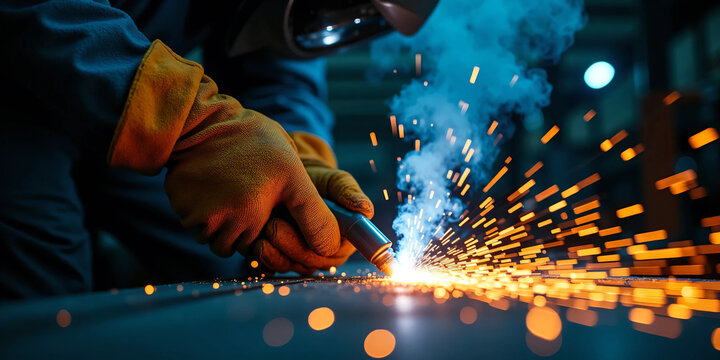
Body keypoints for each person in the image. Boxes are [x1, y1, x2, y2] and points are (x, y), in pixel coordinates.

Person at [0, 0, 436, 299]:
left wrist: (296, 155)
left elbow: (276, 64)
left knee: (245, 264)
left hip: (120, 106)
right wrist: (194, 122)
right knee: (48, 285)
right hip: (20, 89)